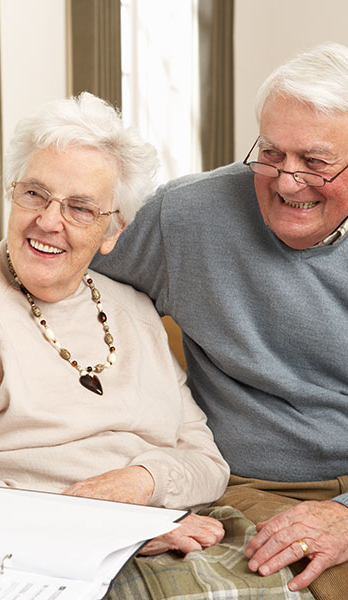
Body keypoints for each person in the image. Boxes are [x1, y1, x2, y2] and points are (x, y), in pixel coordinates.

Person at [0, 92, 229, 559]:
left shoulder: (135, 311)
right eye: (35, 194)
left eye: (81, 208)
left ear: (113, 232)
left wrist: (141, 484)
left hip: (159, 524)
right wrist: (103, 528)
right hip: (30, 552)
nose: (48, 221)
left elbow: (209, 464)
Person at [91, 42, 348, 599]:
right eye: (272, 153)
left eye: (315, 162)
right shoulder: (190, 214)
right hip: (253, 487)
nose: (285, 181)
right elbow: (55, 249)